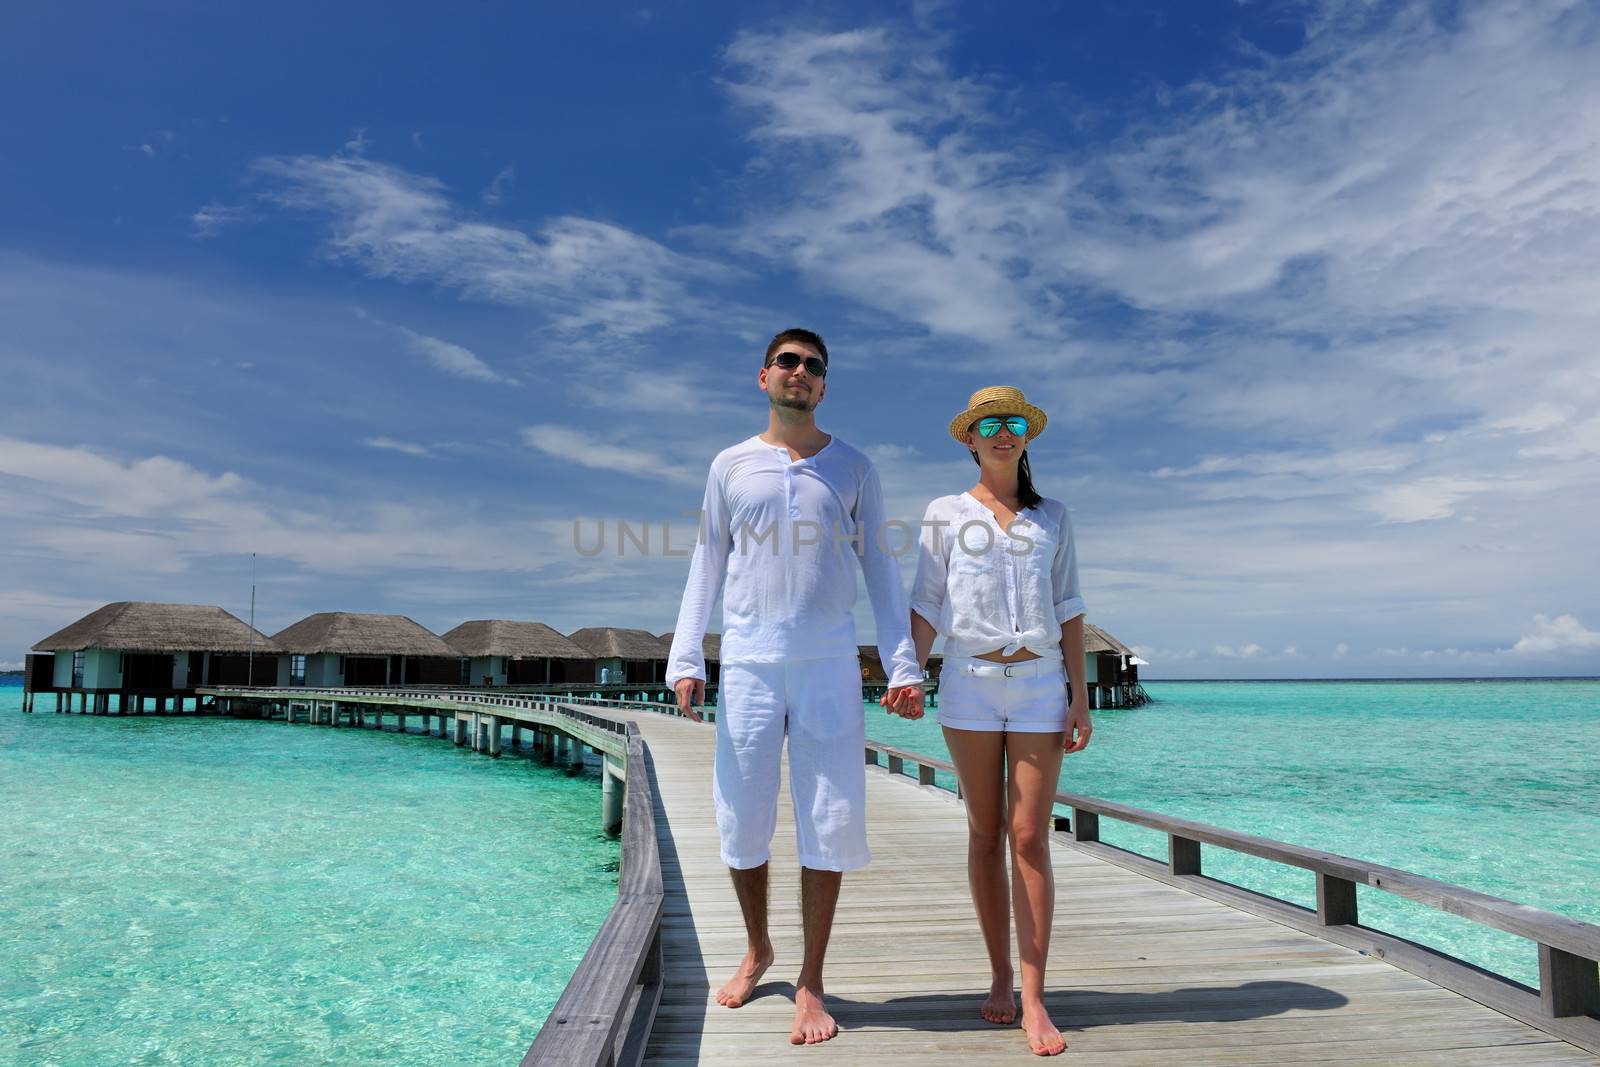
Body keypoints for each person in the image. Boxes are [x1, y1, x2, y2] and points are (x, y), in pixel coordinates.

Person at [665, 328, 926, 1046]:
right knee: (741, 818)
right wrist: (687, 657)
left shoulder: (854, 467)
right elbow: (706, 564)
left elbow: (882, 572)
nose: (800, 372)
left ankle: (810, 979)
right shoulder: (729, 465)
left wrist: (904, 666)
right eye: (789, 361)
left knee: (830, 819)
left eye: (813, 366)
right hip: (747, 661)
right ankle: (758, 948)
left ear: (823, 386)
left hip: (829, 663)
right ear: (764, 376)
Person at [894, 385, 1091, 1057]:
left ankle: (1036, 996)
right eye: (989, 424)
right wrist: (908, 672)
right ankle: (1000, 974)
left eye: (1012, 423)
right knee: (985, 830)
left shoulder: (1054, 516)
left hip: (1039, 683)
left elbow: (1068, 607)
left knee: (1030, 835)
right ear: (969, 438)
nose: (1001, 433)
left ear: (1026, 436)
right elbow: (925, 599)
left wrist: (1080, 694)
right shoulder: (945, 513)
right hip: (970, 684)